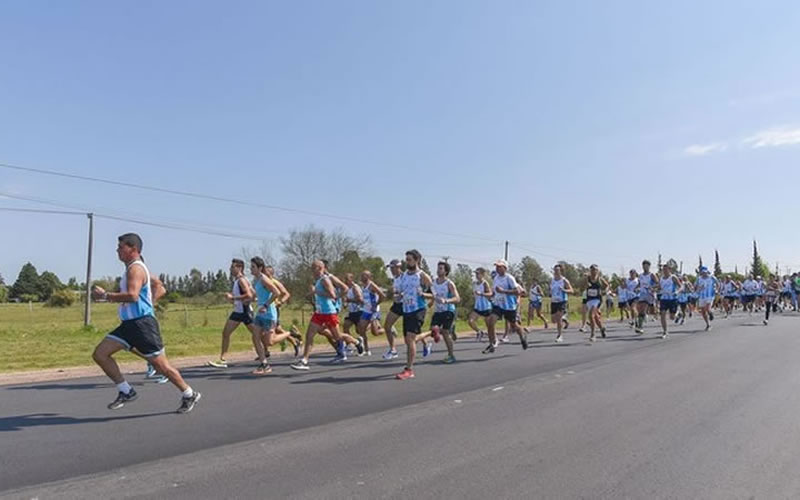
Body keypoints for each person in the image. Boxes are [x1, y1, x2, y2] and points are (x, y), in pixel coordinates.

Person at [91, 233, 201, 413]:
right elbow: (135, 295)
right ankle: (126, 391)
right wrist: (107, 299)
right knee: (100, 354)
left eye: (121, 247)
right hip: (128, 326)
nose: (117, 250)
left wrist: (105, 295)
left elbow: (133, 296)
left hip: (142, 326)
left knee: (161, 366)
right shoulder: (131, 269)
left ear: (133, 249)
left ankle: (189, 393)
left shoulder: (136, 269)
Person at [291, 260, 361, 371]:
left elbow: (332, 295)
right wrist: (312, 293)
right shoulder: (318, 280)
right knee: (309, 335)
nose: (311, 270)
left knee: (337, 336)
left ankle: (356, 341)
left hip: (329, 312)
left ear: (319, 268)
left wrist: (317, 293)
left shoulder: (325, 280)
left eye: (313, 268)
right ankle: (304, 360)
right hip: (319, 313)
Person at [249, 257, 301, 374]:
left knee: (269, 342)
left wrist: (266, 305)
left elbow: (277, 293)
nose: (250, 269)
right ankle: (264, 364)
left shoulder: (264, 279)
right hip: (260, 314)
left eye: (253, 267)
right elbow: (261, 295)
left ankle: (290, 333)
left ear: (259, 268)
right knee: (255, 337)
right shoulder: (256, 280)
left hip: (269, 314)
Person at [208, 259, 258, 369]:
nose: (230, 269)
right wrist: (234, 298)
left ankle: (287, 339)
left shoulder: (241, 280)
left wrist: (233, 298)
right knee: (225, 333)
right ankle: (223, 359)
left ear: (239, 268)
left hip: (245, 312)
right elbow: (253, 294)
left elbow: (249, 294)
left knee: (259, 335)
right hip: (238, 312)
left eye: (232, 267)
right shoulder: (239, 280)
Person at [394, 250, 433, 380]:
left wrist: (423, 294)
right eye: (406, 259)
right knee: (408, 340)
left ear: (416, 260)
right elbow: (400, 292)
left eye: (410, 259)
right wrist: (399, 296)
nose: (407, 262)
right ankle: (431, 333)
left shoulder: (422, 276)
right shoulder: (404, 275)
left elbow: (434, 294)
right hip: (407, 310)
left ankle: (409, 369)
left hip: (419, 309)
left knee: (410, 339)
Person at [415, 261, 460, 364]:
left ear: (446, 271)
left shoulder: (449, 283)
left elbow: (457, 298)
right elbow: (433, 295)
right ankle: (446, 330)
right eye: (438, 268)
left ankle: (451, 355)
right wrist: (424, 296)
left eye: (441, 268)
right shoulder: (434, 282)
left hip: (448, 310)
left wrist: (446, 300)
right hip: (438, 311)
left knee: (444, 333)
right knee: (432, 330)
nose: (438, 270)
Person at [484, 259, 528, 353]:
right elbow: (494, 292)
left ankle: (522, 336)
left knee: (514, 326)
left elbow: (518, 291)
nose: (497, 268)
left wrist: (503, 291)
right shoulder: (496, 278)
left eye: (499, 266)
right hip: (498, 304)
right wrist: (487, 295)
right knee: (490, 321)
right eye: (496, 266)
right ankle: (492, 343)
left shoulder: (509, 278)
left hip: (509, 306)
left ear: (505, 268)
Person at [356, 270, 386, 356]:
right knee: (361, 329)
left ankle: (389, 330)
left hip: (373, 311)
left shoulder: (371, 285)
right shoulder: (363, 286)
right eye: (361, 275)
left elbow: (382, 295)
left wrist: (376, 304)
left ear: (368, 277)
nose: (361, 277)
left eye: (364, 275)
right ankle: (366, 349)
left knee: (375, 332)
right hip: (366, 310)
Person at [381, 259, 404, 360]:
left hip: (406, 305)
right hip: (397, 305)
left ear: (398, 267)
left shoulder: (405, 277)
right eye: (390, 268)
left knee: (412, 331)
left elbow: (409, 289)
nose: (391, 270)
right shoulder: (395, 278)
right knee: (387, 326)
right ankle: (393, 350)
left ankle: (425, 344)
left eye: (393, 268)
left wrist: (400, 295)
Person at [550, 264, 574, 343]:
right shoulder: (552, 280)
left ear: (561, 271)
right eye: (555, 270)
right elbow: (551, 290)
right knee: (553, 320)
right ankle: (565, 319)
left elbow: (571, 290)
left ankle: (559, 335)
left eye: (558, 270)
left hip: (562, 301)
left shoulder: (564, 280)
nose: (556, 272)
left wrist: (564, 290)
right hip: (554, 301)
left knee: (558, 318)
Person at [468, 267, 493, 342]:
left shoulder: (485, 283)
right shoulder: (474, 283)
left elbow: (490, 294)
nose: (476, 275)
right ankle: (479, 332)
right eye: (476, 273)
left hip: (486, 306)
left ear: (482, 274)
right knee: (470, 321)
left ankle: (492, 340)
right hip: (478, 306)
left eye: (478, 273)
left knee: (489, 326)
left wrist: (481, 294)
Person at [656, 265, 682, 338]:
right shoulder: (661, 279)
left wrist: (677, 291)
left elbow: (681, 286)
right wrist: (655, 289)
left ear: (669, 269)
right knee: (662, 314)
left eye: (666, 269)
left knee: (672, 317)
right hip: (664, 299)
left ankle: (678, 314)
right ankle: (665, 331)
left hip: (672, 298)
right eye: (663, 270)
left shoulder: (673, 277)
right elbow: (659, 288)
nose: (664, 271)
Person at [584, 265, 609, 341]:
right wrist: (585, 281)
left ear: (597, 271)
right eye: (592, 270)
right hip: (589, 299)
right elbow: (584, 286)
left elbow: (607, 285)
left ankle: (593, 335)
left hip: (597, 300)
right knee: (595, 317)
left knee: (591, 315)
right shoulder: (587, 278)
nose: (593, 272)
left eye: (595, 270)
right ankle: (602, 328)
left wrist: (605, 291)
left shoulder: (600, 278)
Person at [634, 260, 656, 334]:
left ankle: (652, 314)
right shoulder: (640, 276)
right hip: (643, 294)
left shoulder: (652, 275)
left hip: (650, 294)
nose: (645, 267)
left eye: (646, 266)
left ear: (649, 266)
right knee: (641, 309)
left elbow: (658, 283)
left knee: (652, 311)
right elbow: (639, 284)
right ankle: (640, 327)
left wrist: (652, 287)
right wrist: (636, 288)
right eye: (643, 265)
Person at [694, 267, 717, 331]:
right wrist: (699, 288)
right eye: (702, 272)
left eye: (705, 272)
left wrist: (717, 290)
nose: (704, 273)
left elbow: (718, 284)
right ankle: (708, 324)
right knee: (703, 312)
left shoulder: (712, 277)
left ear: (707, 272)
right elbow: (695, 287)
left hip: (710, 295)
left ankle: (710, 313)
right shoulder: (698, 279)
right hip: (701, 296)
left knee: (707, 308)